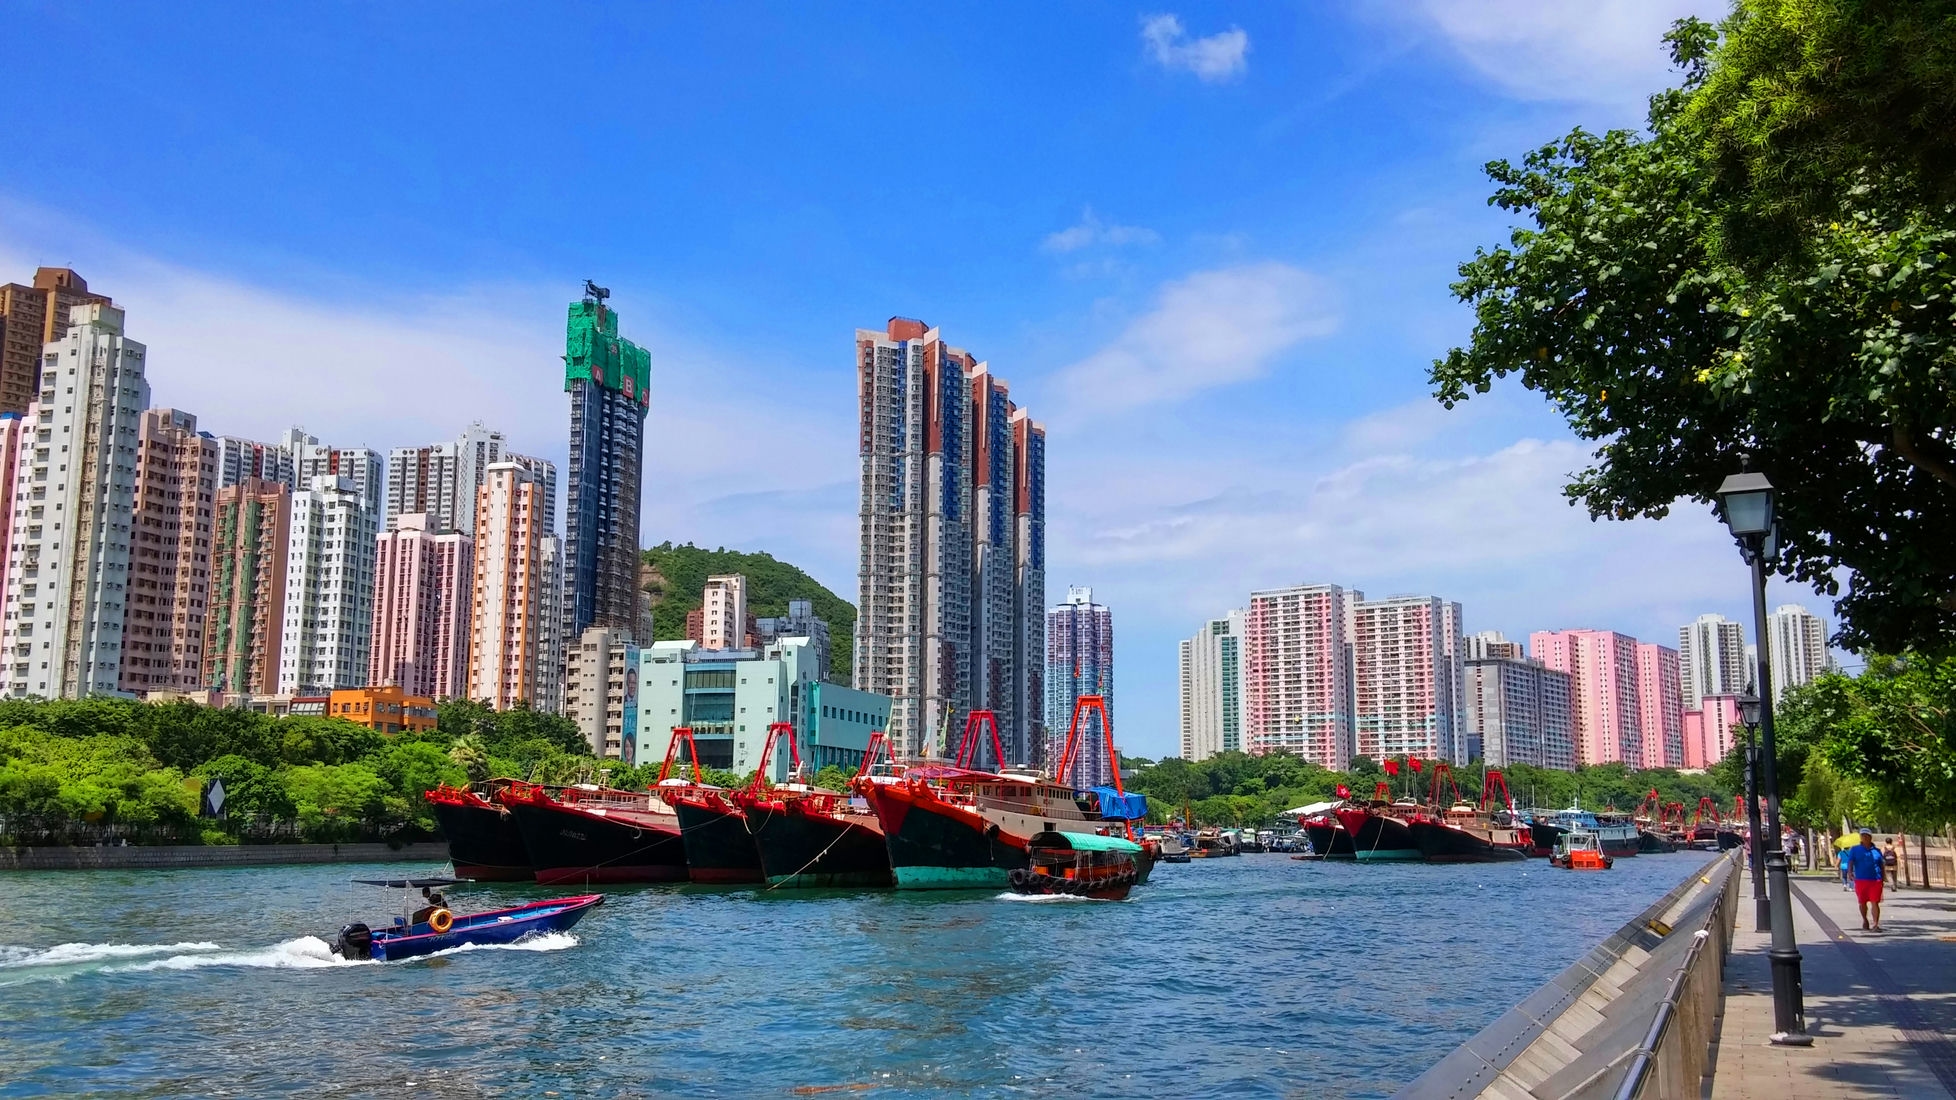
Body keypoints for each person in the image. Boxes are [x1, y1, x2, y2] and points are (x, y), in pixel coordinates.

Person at [1845, 829, 1887, 931]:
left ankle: (1876, 924)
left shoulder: (1876, 851)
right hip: (1861, 880)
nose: (1864, 837)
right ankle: (1865, 920)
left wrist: (1883, 876)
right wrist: (1850, 872)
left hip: (1875, 880)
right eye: (1862, 835)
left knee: (1874, 902)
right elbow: (1850, 862)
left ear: (1870, 837)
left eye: (1867, 835)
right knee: (1862, 902)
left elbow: (1881, 864)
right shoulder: (1855, 849)